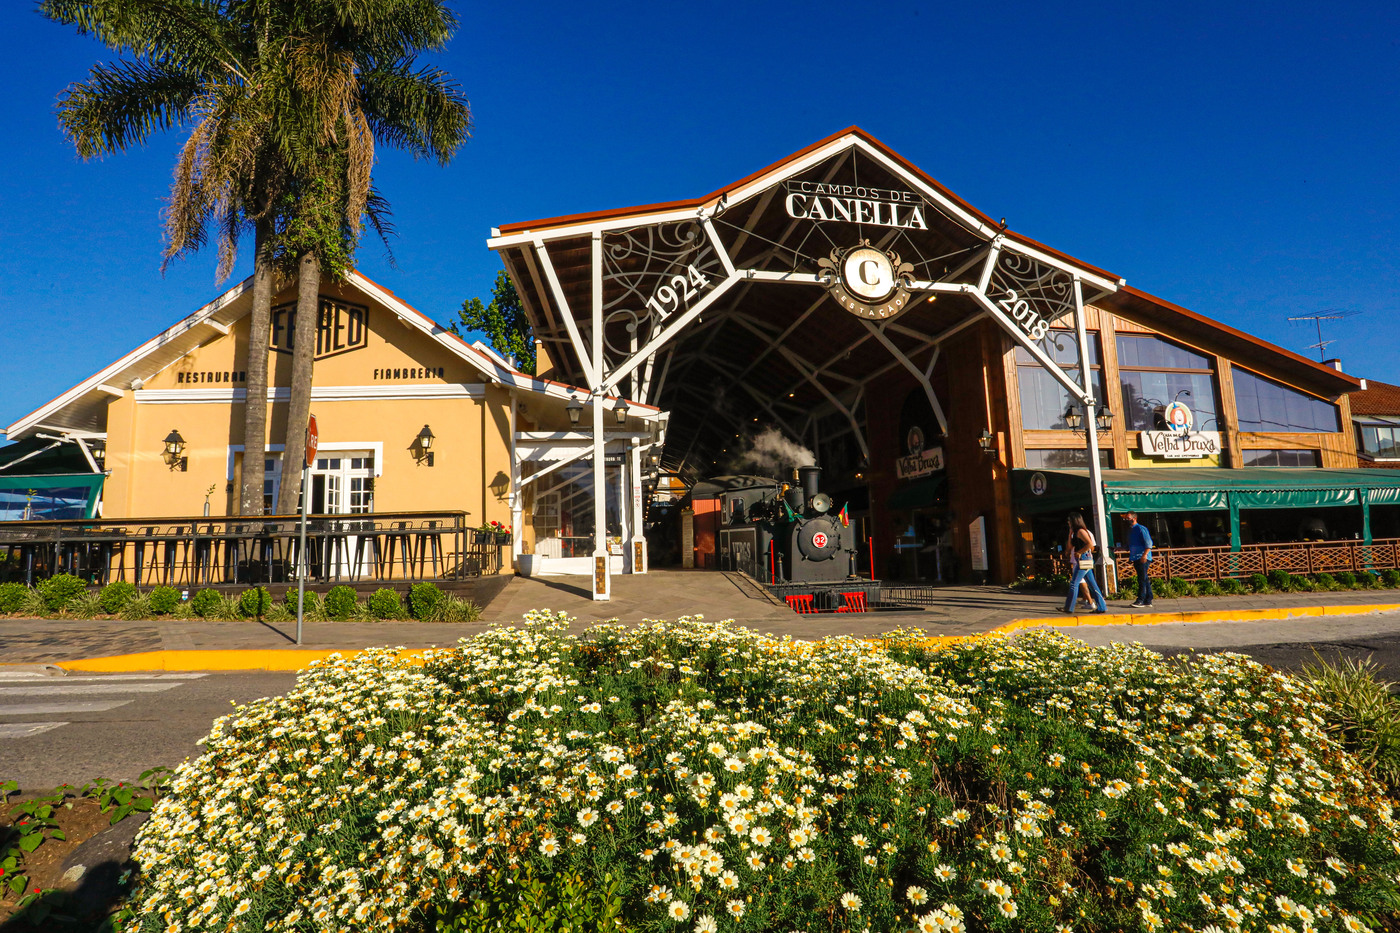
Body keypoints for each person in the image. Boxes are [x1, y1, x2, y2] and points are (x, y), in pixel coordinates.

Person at [1062, 512, 1107, 614]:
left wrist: (1080, 552)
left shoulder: (1081, 531)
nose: (1068, 522)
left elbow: (1090, 544)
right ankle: (1102, 606)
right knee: (1092, 584)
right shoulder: (1075, 532)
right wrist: (1070, 534)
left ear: (1075, 521)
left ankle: (1069, 607)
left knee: (1074, 583)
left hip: (1084, 558)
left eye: (1070, 520)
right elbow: (1069, 547)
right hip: (1081, 559)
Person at [1126, 511, 1154, 608]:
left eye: (1128, 518)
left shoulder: (1141, 529)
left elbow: (1149, 544)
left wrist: (1144, 555)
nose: (1126, 520)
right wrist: (1119, 548)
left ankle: (1141, 600)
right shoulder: (1131, 531)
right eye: (1126, 518)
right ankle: (1148, 599)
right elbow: (1130, 545)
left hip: (1142, 557)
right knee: (1144, 578)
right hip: (1135, 557)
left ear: (1134, 518)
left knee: (1142, 579)